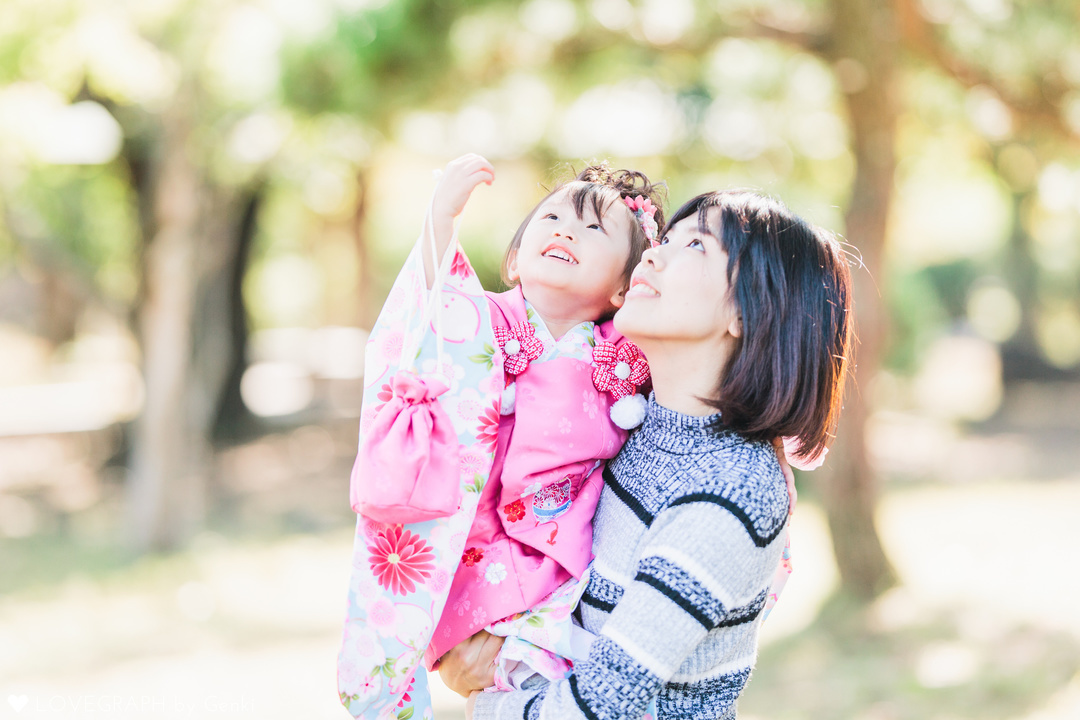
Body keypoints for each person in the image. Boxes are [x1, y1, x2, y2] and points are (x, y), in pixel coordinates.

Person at [438, 189, 855, 720]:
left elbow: (603, 705)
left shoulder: (729, 491)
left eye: (698, 245)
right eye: (667, 238)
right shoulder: (630, 421)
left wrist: (485, 705)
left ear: (749, 312)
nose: (653, 253)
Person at [339, 153, 668, 718]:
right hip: (477, 548)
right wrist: (440, 222)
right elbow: (428, 309)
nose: (568, 229)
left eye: (595, 228)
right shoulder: (479, 321)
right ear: (514, 259)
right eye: (554, 218)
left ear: (623, 289)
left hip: (566, 558)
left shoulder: (626, 353)